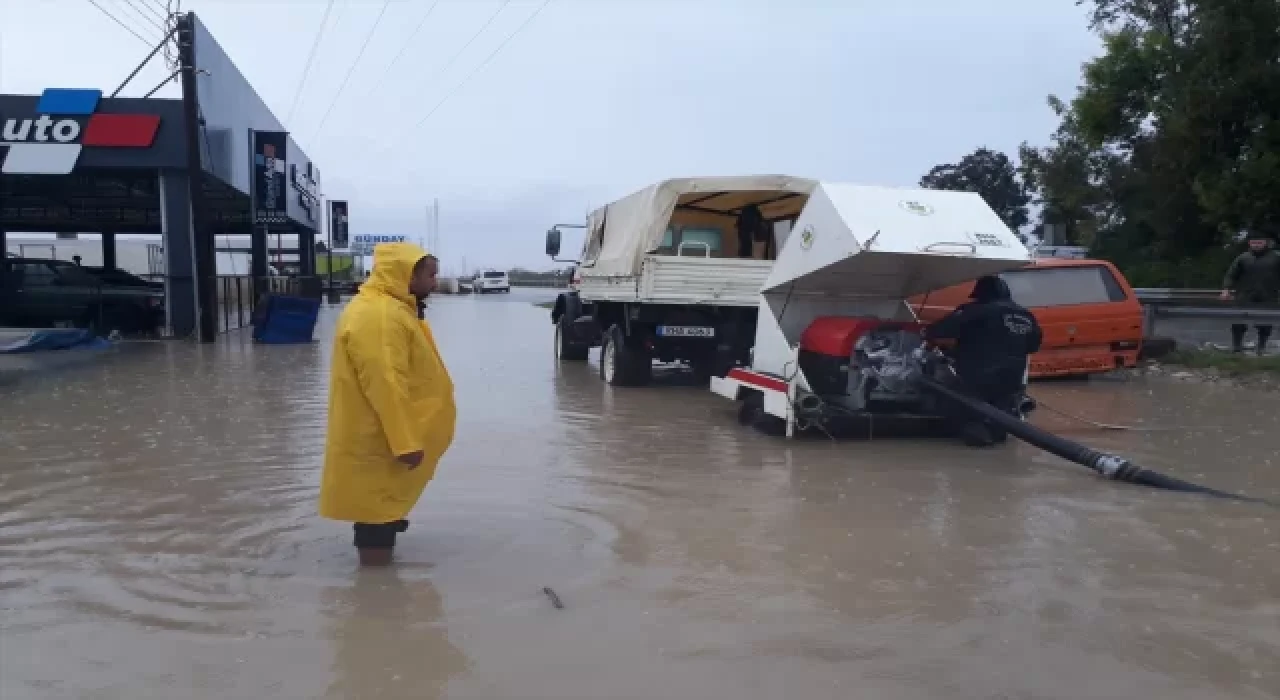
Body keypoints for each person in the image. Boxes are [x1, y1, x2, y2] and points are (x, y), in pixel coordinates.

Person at [320, 242, 457, 567]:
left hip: (382, 434)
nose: (435, 283)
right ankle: (375, 599)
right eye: (430, 275)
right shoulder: (381, 316)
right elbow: (385, 383)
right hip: (380, 437)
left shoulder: (387, 309)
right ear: (407, 274)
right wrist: (405, 441)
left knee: (381, 509)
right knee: (375, 516)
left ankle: (377, 585)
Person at [923, 275, 1043, 447]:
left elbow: (941, 330)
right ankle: (997, 444)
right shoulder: (1026, 315)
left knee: (967, 408)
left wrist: (928, 332)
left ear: (981, 293)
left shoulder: (975, 311)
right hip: (1013, 376)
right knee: (1001, 413)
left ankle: (976, 442)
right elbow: (1033, 346)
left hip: (980, 373)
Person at [1220, 235, 1280, 355]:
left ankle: (1261, 347)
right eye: (1254, 242)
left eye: (1259, 242)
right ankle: (1237, 347)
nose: (1256, 245)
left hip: (1268, 294)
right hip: (1244, 294)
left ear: (1265, 243)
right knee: (1238, 321)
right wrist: (1226, 289)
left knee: (1265, 323)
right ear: (1249, 243)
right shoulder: (1243, 258)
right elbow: (1231, 274)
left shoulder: (1276, 257)